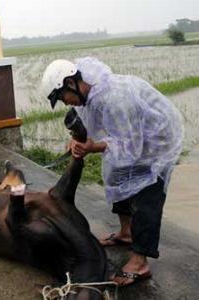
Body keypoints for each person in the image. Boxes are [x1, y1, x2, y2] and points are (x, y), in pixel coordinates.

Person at [41, 57, 183, 286]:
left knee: (147, 195)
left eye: (61, 97)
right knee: (119, 177)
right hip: (133, 138)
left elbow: (131, 146)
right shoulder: (89, 95)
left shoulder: (116, 98)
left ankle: (140, 262)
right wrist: (77, 143)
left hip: (155, 142)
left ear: (70, 83)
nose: (65, 103)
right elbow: (92, 125)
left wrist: (94, 147)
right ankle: (126, 233)